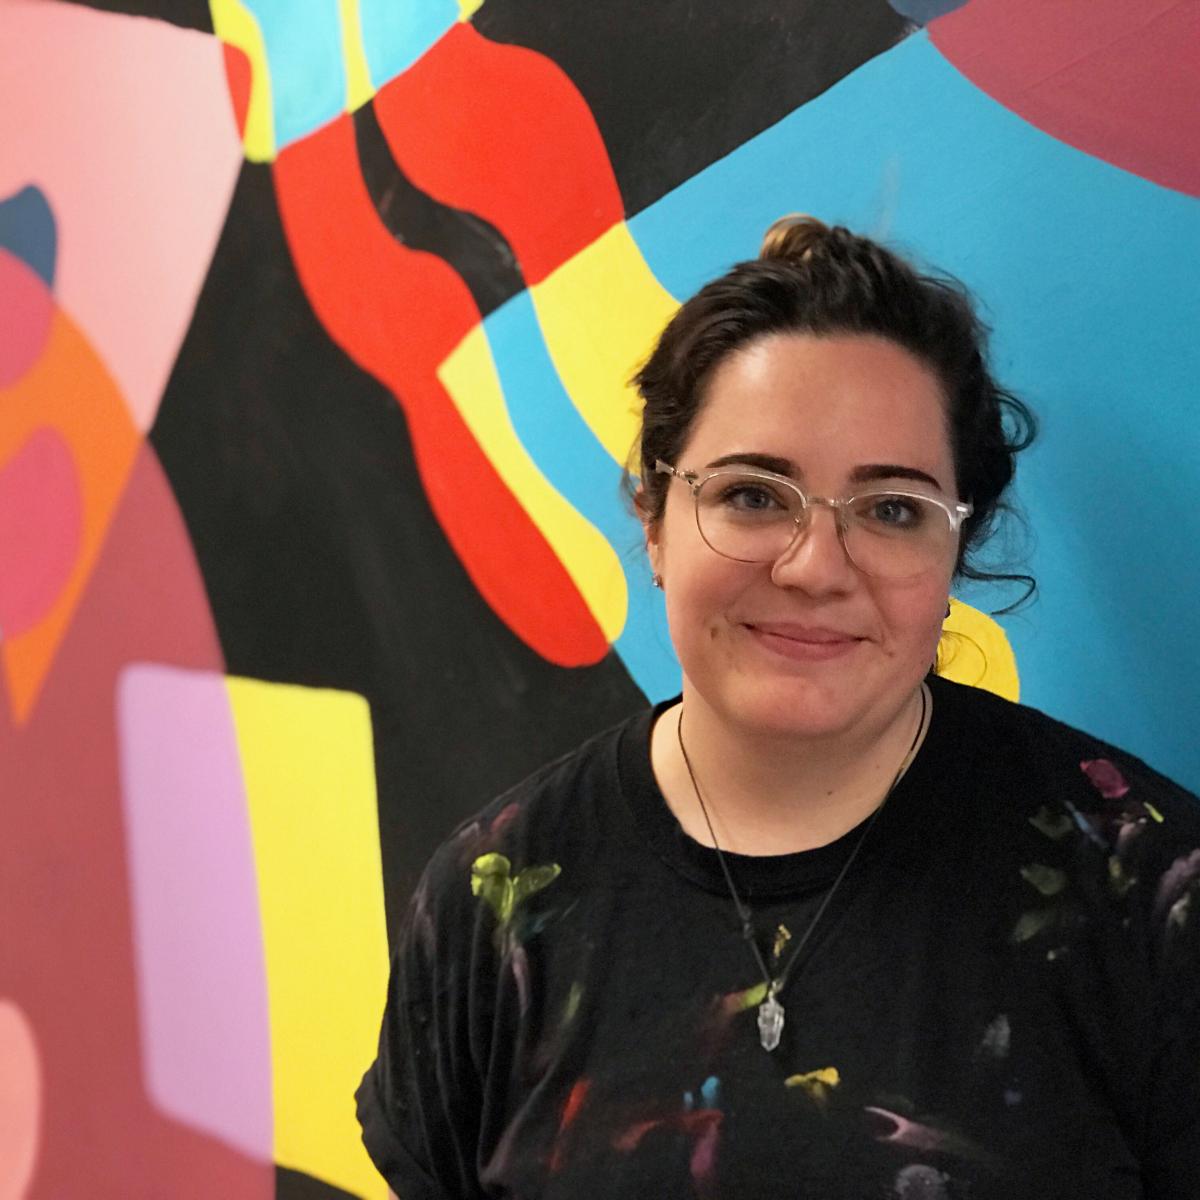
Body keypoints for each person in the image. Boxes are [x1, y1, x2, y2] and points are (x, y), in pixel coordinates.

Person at [356, 216, 1200, 1198]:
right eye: (755, 496)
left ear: (955, 554)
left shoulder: (1145, 891)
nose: (813, 567)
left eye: (892, 510)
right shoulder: (493, 906)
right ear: (654, 520)